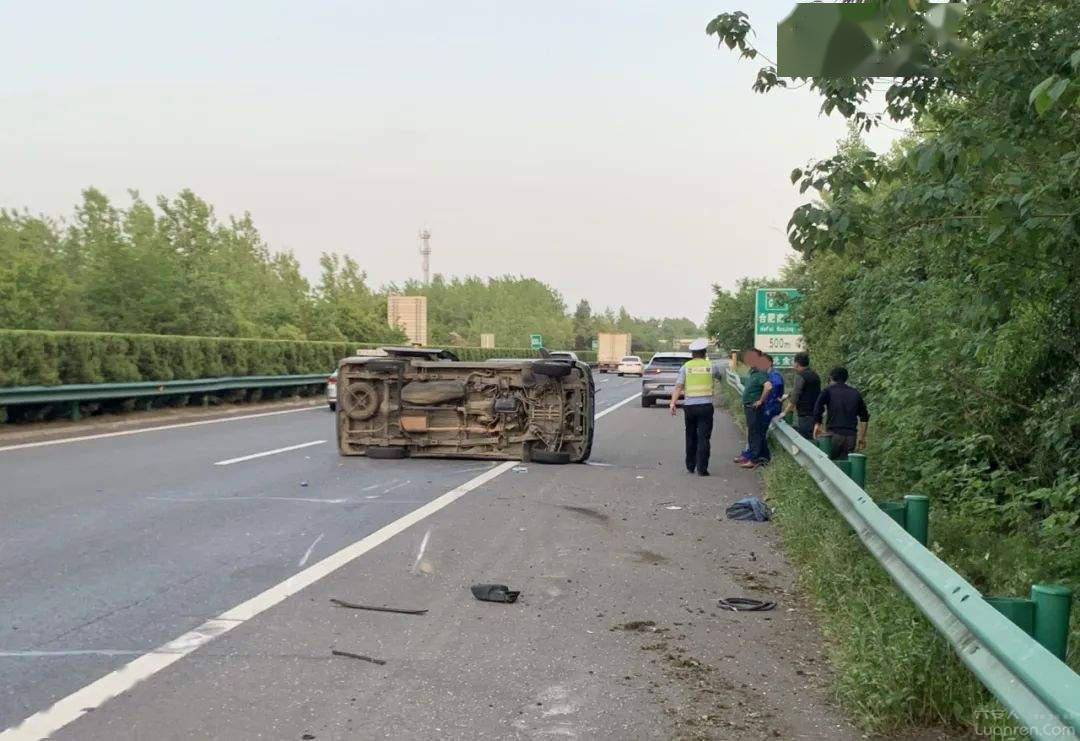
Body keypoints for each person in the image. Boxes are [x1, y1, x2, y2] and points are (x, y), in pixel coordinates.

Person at [669, 338, 722, 476]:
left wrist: (672, 403)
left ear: (692, 354)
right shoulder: (711, 365)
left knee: (691, 435)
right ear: (704, 353)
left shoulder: (686, 367)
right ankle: (702, 469)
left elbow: (678, 386)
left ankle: (690, 465)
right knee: (704, 437)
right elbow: (720, 377)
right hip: (705, 406)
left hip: (690, 407)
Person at [812, 366, 870, 460]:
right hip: (851, 437)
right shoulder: (855, 393)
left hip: (834, 435)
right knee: (846, 466)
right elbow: (864, 417)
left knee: (831, 465)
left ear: (831, 378)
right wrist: (862, 438)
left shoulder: (828, 391)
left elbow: (818, 408)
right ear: (846, 378)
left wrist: (817, 424)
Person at [737, 350, 773, 469]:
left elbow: (768, 387)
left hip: (754, 407)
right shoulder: (753, 372)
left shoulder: (760, 372)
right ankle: (763, 458)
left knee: (754, 434)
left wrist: (761, 401)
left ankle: (754, 459)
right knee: (756, 433)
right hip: (750, 407)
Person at [784, 352, 821, 440]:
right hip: (816, 413)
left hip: (805, 415)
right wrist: (788, 395)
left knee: (807, 440)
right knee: (813, 439)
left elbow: (795, 397)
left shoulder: (800, 376)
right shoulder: (815, 375)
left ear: (797, 364)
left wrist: (784, 412)